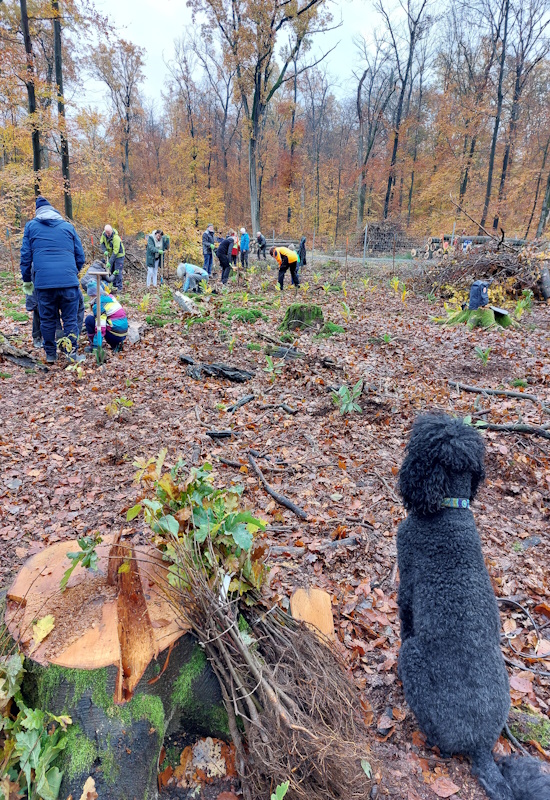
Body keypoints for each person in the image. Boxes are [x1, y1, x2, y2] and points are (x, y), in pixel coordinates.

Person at [20, 195, 85, 364]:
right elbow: (81, 256)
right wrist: (72, 273)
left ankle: (51, 354)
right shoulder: (68, 227)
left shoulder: (31, 227)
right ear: (53, 210)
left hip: (44, 284)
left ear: (37, 213)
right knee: (70, 319)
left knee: (47, 319)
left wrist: (27, 279)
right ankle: (71, 354)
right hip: (69, 283)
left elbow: (26, 257)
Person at [84, 281, 128, 352]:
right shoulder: (109, 297)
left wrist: (96, 346)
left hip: (116, 334)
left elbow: (100, 327)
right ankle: (116, 344)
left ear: (92, 295)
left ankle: (93, 346)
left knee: (89, 320)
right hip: (123, 333)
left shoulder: (99, 305)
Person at [100, 224, 125, 293]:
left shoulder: (116, 238)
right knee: (111, 270)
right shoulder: (104, 234)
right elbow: (102, 243)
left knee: (117, 271)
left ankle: (119, 287)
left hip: (119, 255)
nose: (107, 234)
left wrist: (110, 262)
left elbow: (115, 252)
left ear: (111, 231)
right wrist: (104, 250)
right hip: (111, 254)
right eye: (106, 233)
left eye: (109, 233)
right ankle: (114, 286)